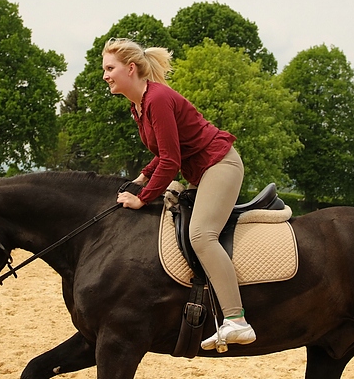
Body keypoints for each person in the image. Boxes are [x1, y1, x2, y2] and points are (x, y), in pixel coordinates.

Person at [102, 38, 255, 351]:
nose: (104, 75)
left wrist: (142, 197)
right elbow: (163, 152)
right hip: (201, 170)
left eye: (109, 68)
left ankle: (237, 320)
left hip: (220, 164)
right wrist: (141, 176)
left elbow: (171, 161)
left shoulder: (156, 99)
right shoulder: (138, 106)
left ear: (130, 69)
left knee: (201, 234)